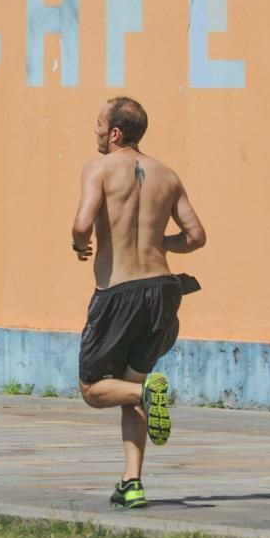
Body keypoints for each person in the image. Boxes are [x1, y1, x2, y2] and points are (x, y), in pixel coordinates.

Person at [70, 96, 206, 509]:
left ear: (114, 133)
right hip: (164, 292)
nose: (93, 130)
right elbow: (196, 237)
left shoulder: (98, 169)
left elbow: (81, 223)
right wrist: (155, 241)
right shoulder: (168, 175)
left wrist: (80, 245)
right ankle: (132, 482)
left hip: (119, 293)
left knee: (94, 389)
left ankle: (149, 391)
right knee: (129, 384)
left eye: (97, 124)